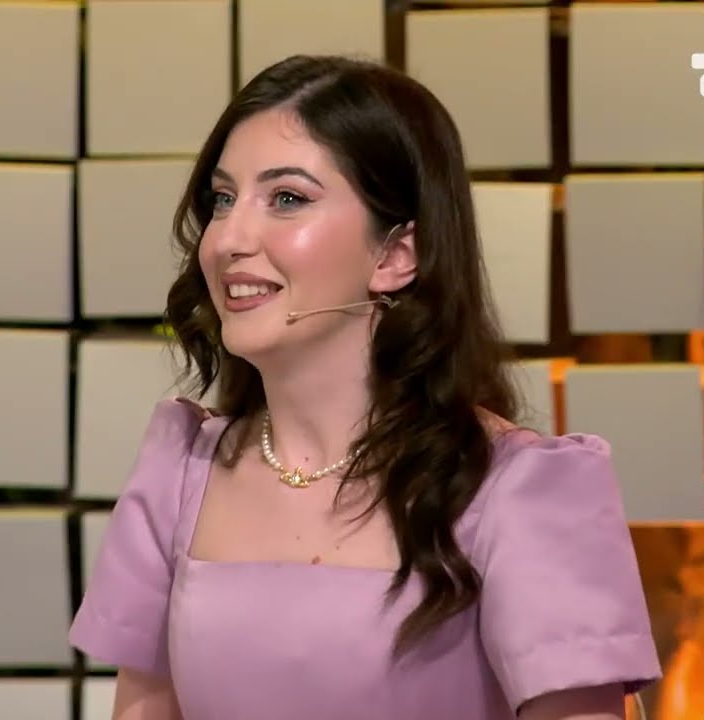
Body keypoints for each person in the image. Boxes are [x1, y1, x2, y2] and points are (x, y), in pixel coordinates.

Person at [69, 54, 662, 720]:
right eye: (222, 200)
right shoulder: (180, 473)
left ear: (396, 255)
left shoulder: (518, 490)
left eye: (287, 199)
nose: (228, 238)